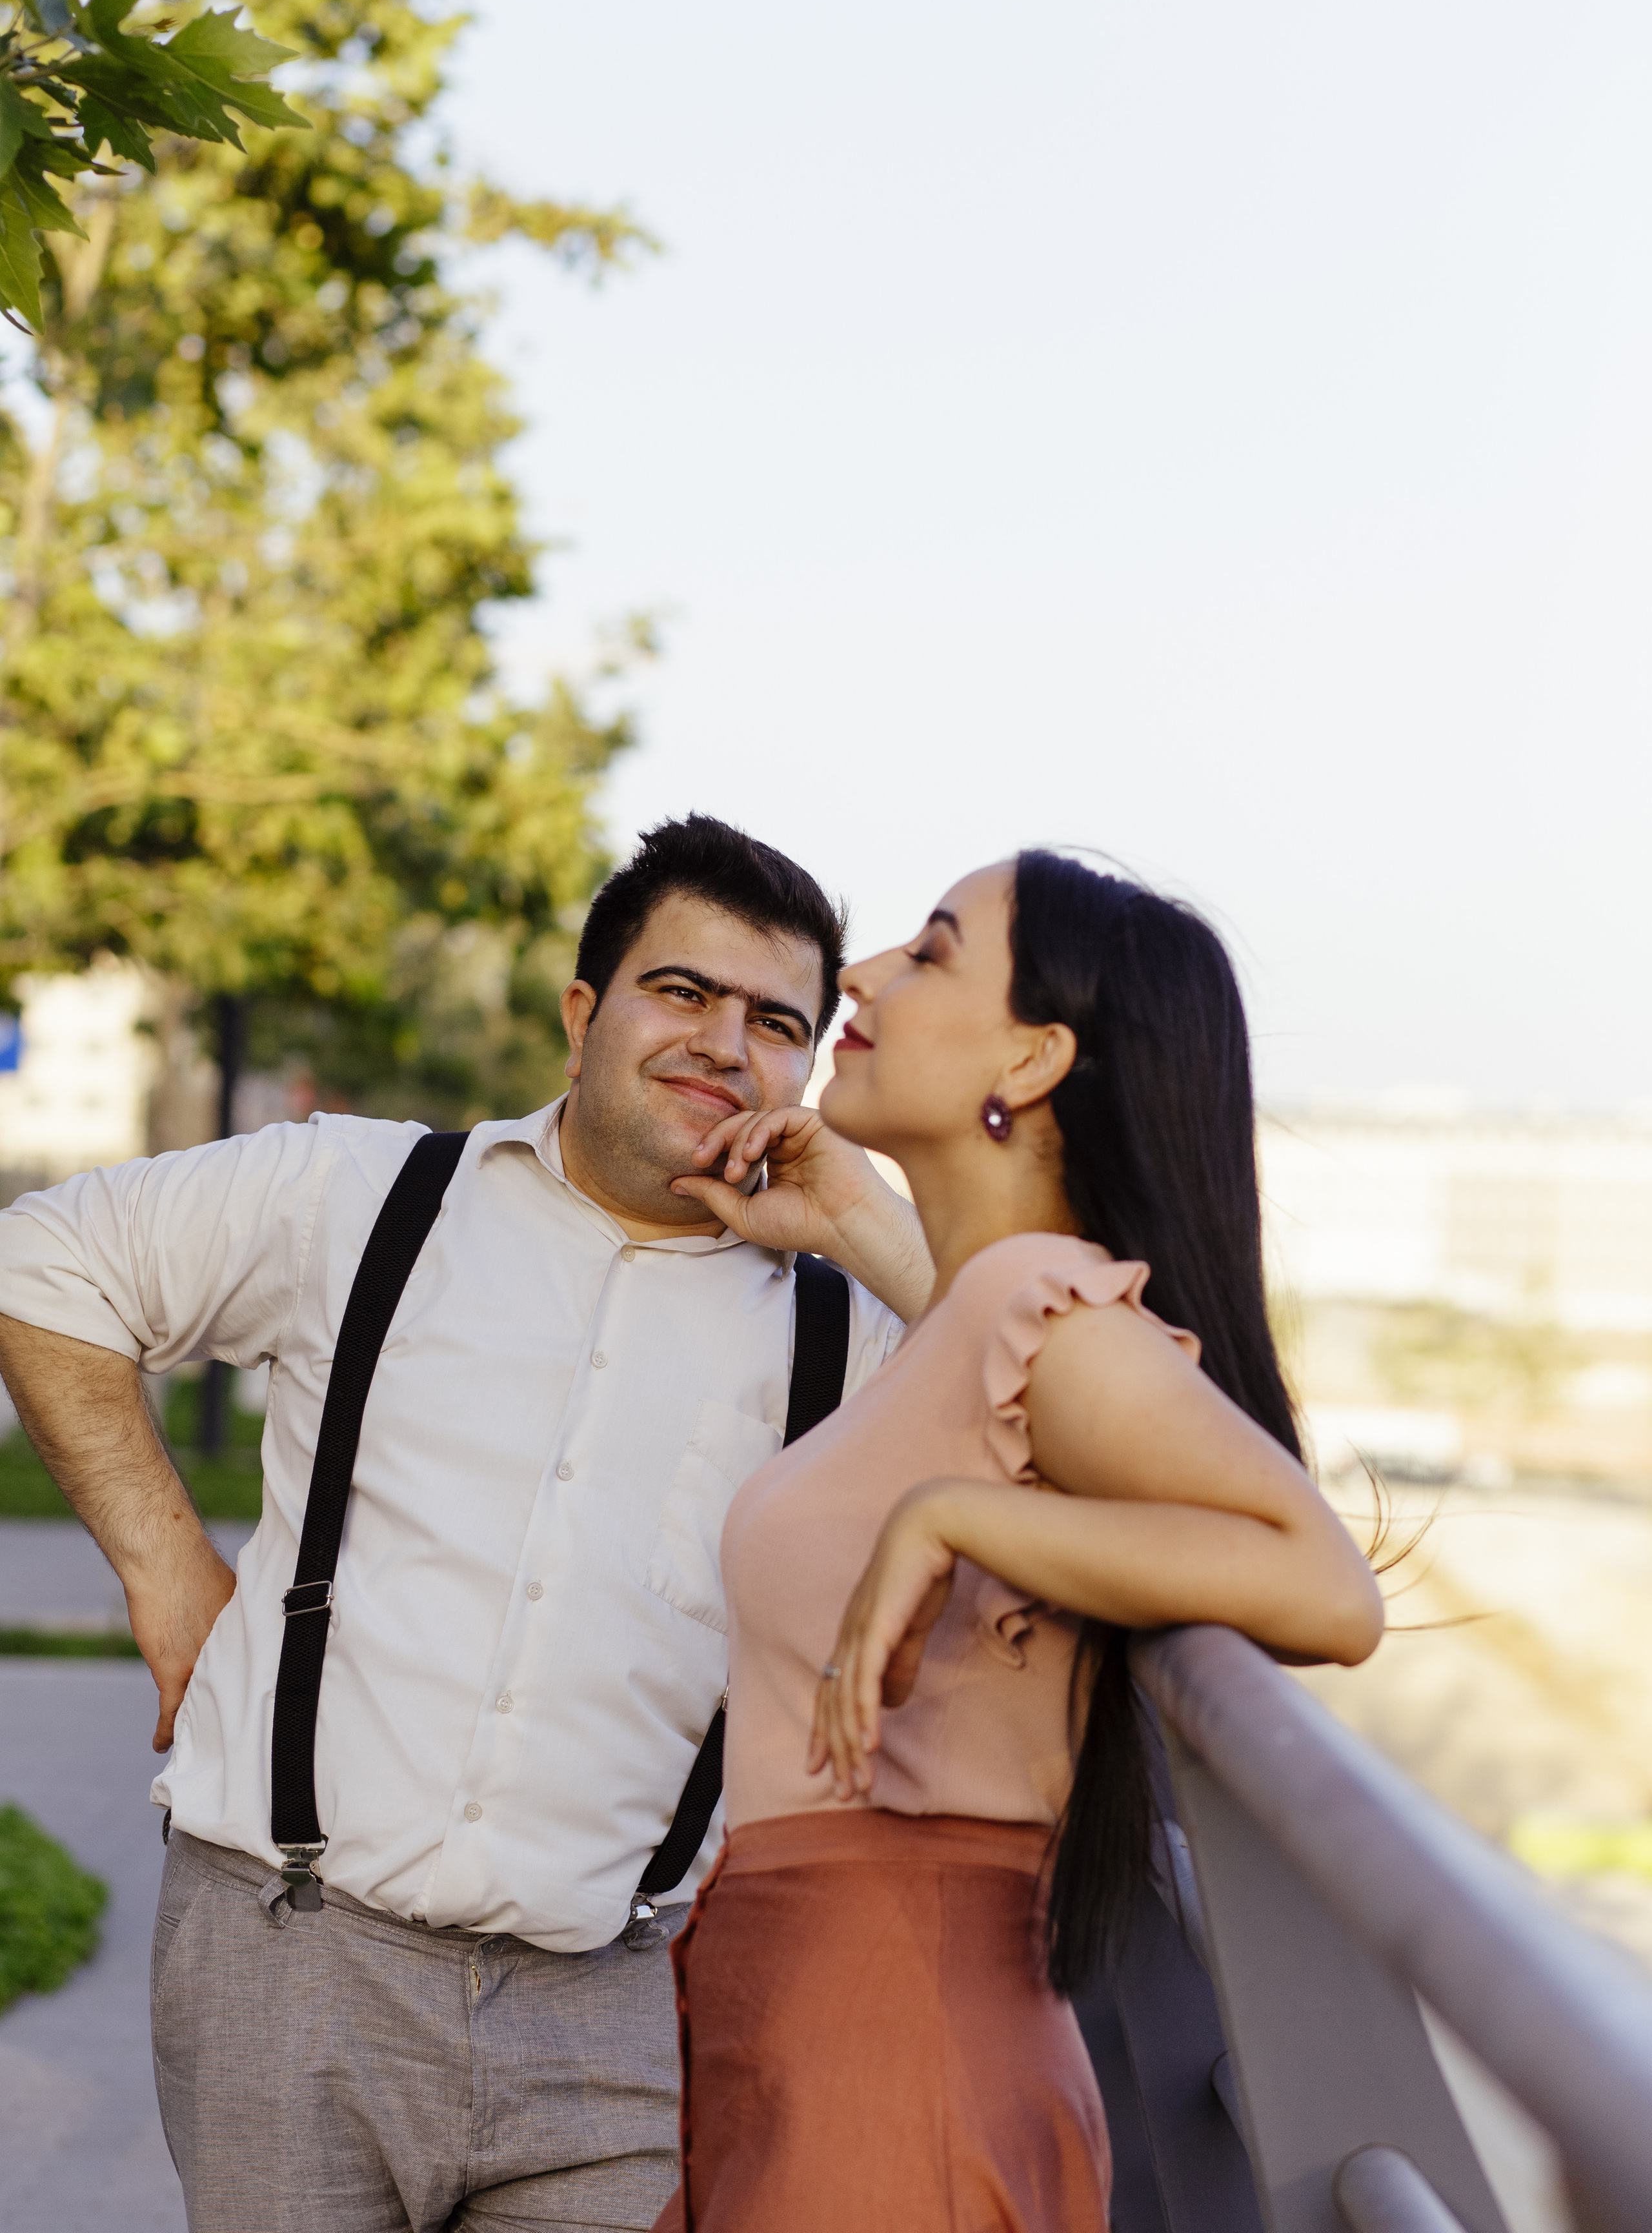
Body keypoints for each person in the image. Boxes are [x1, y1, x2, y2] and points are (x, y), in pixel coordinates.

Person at [0, 814, 933, 2233]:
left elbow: (1068, 1432)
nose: (722, 1043)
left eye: (773, 1022)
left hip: (615, 2014)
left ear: (803, 1067)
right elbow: (42, 1265)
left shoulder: (851, 1329)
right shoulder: (358, 1194)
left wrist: (871, 1230)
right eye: (679, 992)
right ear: (584, 1013)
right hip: (287, 1961)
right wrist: (165, 1567)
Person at [651, 851, 1385, 2233]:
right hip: (820, 2024)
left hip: (887, 2045)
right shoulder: (976, 1312)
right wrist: (856, 1227)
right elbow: (979, 1394)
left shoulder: (1041, 1307)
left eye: (927, 954)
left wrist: (954, 1518)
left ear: (1037, 1056)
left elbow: (1324, 1591)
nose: (857, 979)